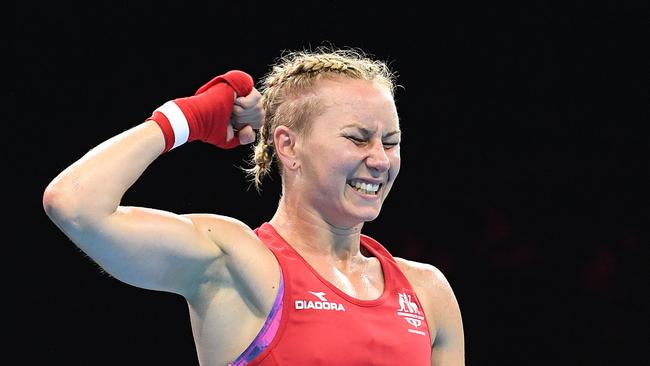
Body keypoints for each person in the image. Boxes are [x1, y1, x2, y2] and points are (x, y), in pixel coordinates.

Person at [43, 46, 465, 365]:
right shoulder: (234, 262)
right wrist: (184, 120)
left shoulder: (427, 292)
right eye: (357, 138)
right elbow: (74, 203)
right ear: (288, 145)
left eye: (391, 143)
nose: (380, 160)